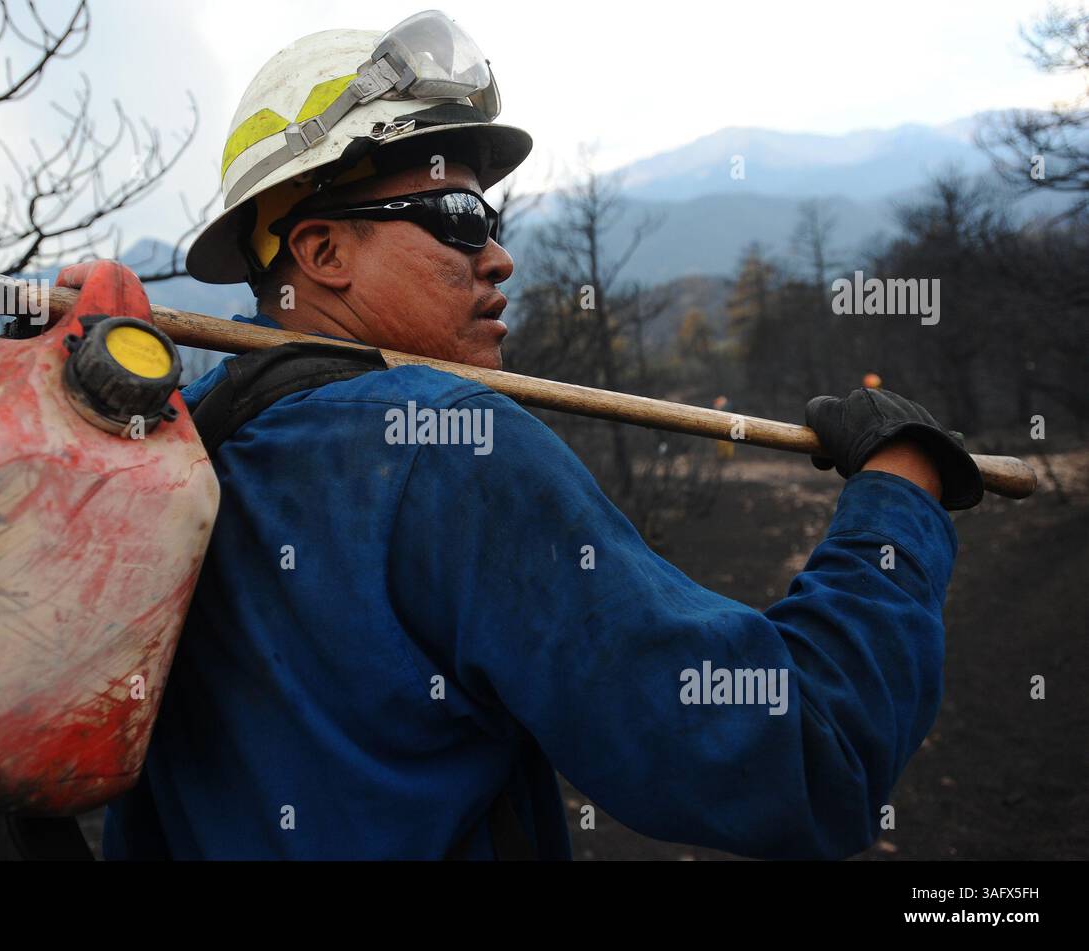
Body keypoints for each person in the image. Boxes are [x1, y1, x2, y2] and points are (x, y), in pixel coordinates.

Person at [70, 11, 984, 860]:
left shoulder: (180, 449)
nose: (498, 255)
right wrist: (899, 495)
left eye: (492, 220)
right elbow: (803, 754)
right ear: (323, 255)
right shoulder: (447, 449)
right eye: (458, 219)